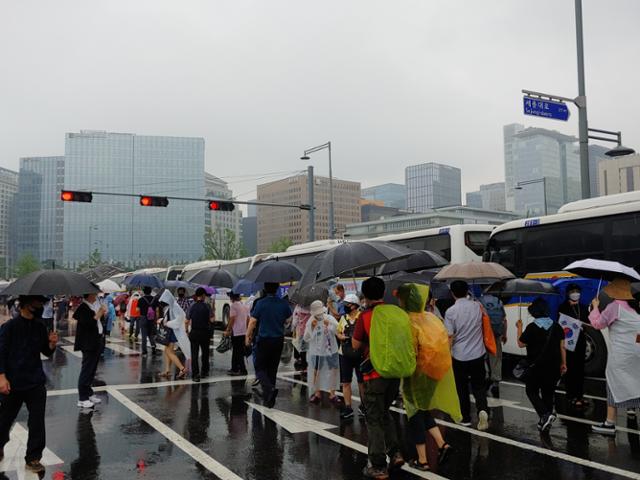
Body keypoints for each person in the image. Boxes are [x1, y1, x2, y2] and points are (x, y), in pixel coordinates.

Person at [396, 283, 460, 472]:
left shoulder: (408, 321)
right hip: (433, 373)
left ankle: (422, 460)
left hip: (415, 375)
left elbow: (410, 350)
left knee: (414, 415)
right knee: (423, 410)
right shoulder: (430, 318)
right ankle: (442, 445)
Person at [352, 277, 404, 479]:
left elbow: (355, 345)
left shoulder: (365, 316)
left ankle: (379, 465)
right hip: (395, 372)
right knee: (384, 412)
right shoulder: (397, 313)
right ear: (383, 292)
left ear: (365, 296)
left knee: (373, 417)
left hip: (375, 373)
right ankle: (395, 452)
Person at [0, 295, 59, 474]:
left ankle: (33, 457)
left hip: (35, 381)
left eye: (42, 303)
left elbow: (46, 352)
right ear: (26, 305)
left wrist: (52, 344)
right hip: (13, 382)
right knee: (4, 419)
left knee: (37, 422)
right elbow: (0, 353)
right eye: (37, 303)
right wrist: (1, 377)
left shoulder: (40, 326)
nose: (40, 306)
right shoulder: (9, 328)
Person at [589, 277, 640, 435]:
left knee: (613, 384)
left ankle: (610, 423)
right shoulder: (637, 308)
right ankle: (631, 410)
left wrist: (594, 308)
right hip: (636, 353)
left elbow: (597, 324)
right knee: (636, 384)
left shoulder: (615, 306)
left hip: (621, 355)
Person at [444, 280, 489, 430]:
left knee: (461, 387)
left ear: (452, 293)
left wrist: (446, 354)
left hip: (459, 355)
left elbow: (449, 336)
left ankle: (466, 417)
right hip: (478, 353)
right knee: (479, 386)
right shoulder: (477, 306)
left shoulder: (450, 312)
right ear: (467, 291)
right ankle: (482, 409)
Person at [517, 297, 566, 432]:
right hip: (554, 366)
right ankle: (545, 421)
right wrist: (564, 364)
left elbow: (521, 344)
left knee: (531, 390)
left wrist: (519, 328)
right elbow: (562, 347)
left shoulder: (532, 327)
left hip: (536, 366)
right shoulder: (557, 326)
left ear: (534, 311)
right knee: (548, 393)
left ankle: (545, 415)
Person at [246, 282, 292, 408]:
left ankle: (269, 389)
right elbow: (288, 320)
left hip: (264, 340)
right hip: (278, 340)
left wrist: (247, 337)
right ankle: (269, 399)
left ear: (265, 289)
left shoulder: (261, 303)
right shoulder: (283, 303)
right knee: (272, 369)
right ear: (277, 289)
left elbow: (253, 321)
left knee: (260, 367)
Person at [558, 283, 590, 408]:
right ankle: (571, 396)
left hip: (581, 341)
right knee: (570, 369)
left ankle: (580, 396)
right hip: (568, 342)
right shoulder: (563, 307)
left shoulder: (583, 307)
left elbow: (588, 323)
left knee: (580, 369)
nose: (576, 293)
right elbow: (561, 325)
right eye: (573, 291)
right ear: (568, 293)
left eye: (577, 291)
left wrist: (583, 325)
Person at [74, 293, 107, 409]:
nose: (96, 295)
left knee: (92, 369)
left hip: (96, 341)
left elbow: (98, 322)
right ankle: (82, 398)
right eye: (94, 293)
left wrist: (102, 312)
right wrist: (99, 313)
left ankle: (88, 393)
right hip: (88, 343)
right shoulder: (83, 307)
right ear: (89, 295)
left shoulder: (93, 306)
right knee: (87, 369)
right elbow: (89, 324)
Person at [304, 300, 340, 405]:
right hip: (316, 351)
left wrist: (329, 326)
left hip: (330, 350)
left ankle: (332, 393)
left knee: (333, 370)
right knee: (315, 371)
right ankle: (317, 393)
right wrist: (312, 327)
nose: (319, 315)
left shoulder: (329, 318)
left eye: (320, 313)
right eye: (317, 313)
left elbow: (338, 330)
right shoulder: (311, 321)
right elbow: (306, 338)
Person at [336, 293, 365, 419]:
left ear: (353, 306)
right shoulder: (343, 318)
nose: (345, 307)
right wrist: (341, 336)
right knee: (346, 382)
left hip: (360, 354)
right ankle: (348, 407)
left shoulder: (362, 317)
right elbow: (338, 332)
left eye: (347, 304)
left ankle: (363, 406)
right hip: (344, 353)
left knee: (361, 382)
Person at [480, 292, 507, 398]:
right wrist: (504, 334)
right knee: (496, 357)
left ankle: (486, 375)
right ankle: (496, 380)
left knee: (482, 356)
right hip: (496, 334)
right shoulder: (498, 301)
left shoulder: (478, 301)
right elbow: (504, 320)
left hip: (483, 334)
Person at [158, 290, 189, 380]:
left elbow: (178, 321)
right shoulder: (171, 306)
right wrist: (163, 321)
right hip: (172, 331)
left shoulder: (174, 307)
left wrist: (166, 323)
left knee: (169, 352)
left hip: (174, 332)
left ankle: (182, 369)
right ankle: (167, 370)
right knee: (166, 350)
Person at [188, 288, 214, 382]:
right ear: (203, 295)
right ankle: (204, 372)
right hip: (205, 332)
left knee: (194, 354)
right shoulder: (207, 306)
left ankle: (195, 375)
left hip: (194, 332)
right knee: (205, 353)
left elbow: (187, 320)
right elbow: (212, 320)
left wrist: (187, 331)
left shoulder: (192, 306)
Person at [225, 292, 249, 376]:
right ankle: (234, 368)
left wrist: (228, 329)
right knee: (238, 351)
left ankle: (242, 369)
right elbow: (248, 318)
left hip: (237, 332)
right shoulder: (244, 305)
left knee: (237, 351)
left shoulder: (233, 306)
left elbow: (232, 318)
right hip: (243, 331)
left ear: (232, 297)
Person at [137, 287, 157, 356]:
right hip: (152, 318)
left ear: (144, 292)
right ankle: (153, 347)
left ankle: (144, 352)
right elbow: (157, 309)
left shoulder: (140, 299)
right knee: (151, 334)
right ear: (151, 291)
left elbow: (137, 310)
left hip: (143, 318)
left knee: (144, 335)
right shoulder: (154, 299)